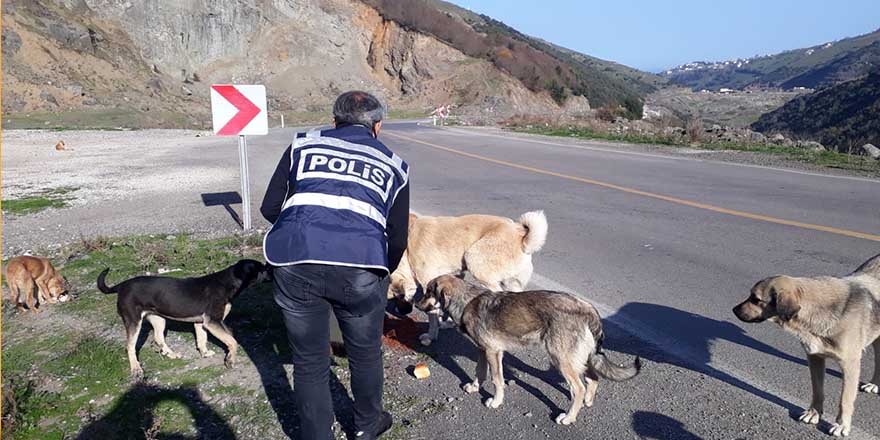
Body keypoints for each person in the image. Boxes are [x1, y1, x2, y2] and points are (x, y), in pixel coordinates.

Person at [260, 91, 409, 440]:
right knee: (366, 353)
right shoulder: (394, 166)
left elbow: (270, 208)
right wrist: (380, 274)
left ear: (333, 122)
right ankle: (367, 426)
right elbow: (398, 236)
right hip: (362, 268)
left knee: (310, 361)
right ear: (378, 126)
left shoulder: (302, 146)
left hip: (295, 260)